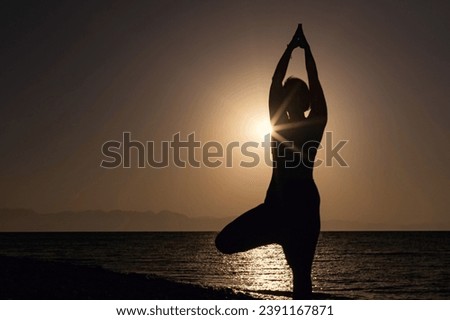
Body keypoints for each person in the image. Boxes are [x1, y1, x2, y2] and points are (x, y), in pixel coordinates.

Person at [215, 24, 327, 299]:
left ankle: (286, 241)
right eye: (287, 97)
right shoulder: (278, 125)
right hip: (275, 206)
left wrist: (306, 52)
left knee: (301, 275)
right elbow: (275, 84)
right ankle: (278, 237)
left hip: (302, 208)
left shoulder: (316, 123)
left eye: (296, 96)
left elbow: (314, 82)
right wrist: (290, 50)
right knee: (224, 242)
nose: (288, 100)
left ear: (305, 101)